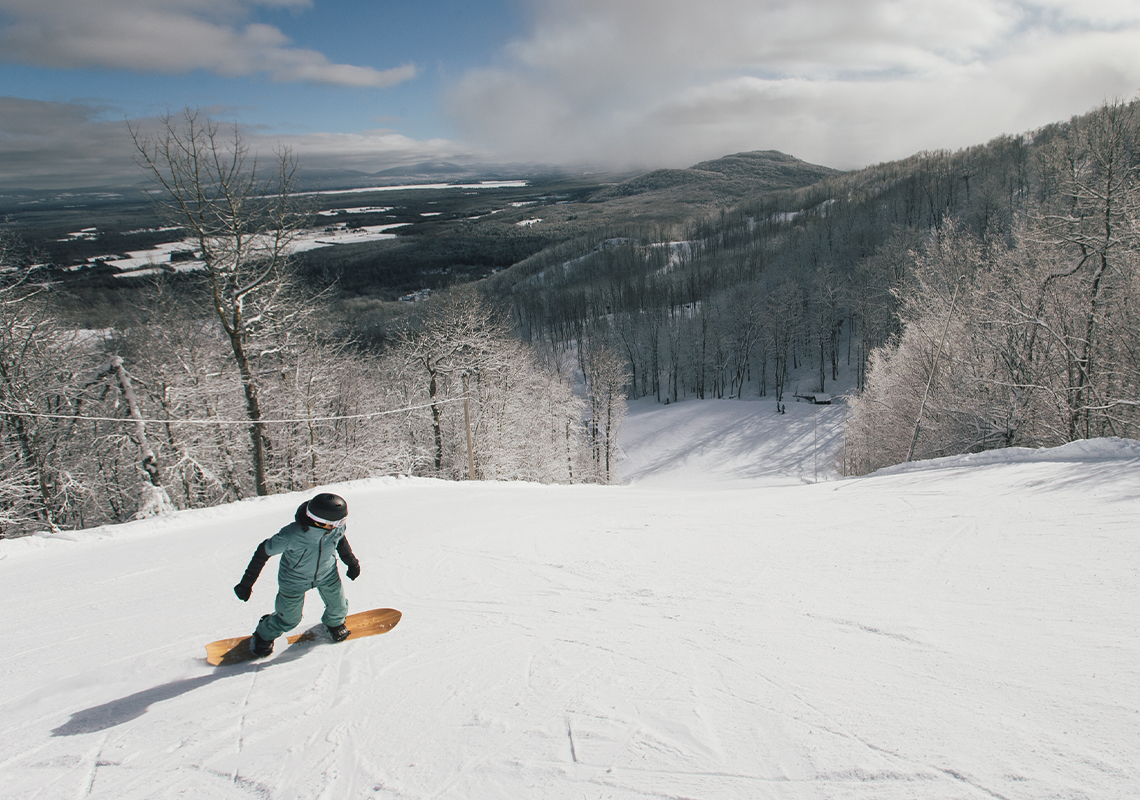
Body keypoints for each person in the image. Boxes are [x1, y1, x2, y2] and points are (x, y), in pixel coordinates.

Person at [233, 492, 361, 658]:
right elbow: (263, 552)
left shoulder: (335, 528)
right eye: (338, 522)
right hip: (293, 580)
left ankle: (334, 623)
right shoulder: (292, 535)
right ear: (320, 522)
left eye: (343, 521)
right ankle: (263, 634)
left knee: (339, 607)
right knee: (289, 619)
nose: (341, 525)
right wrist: (246, 583)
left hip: (327, 574)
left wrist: (351, 562)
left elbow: (340, 540)